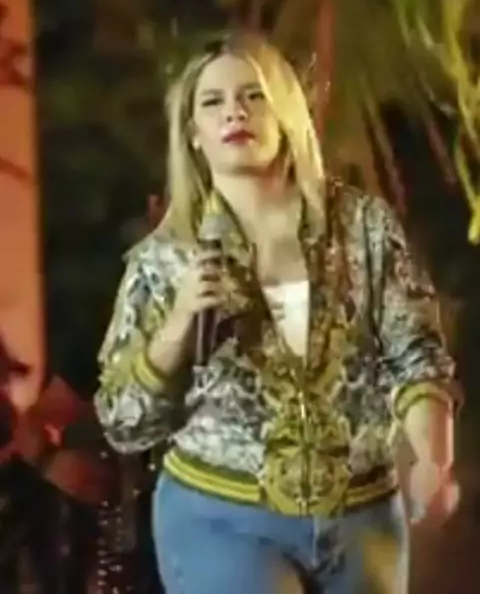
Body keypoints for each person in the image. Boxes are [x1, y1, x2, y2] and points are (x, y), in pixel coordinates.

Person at [94, 31, 459, 594]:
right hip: (220, 517)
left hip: (362, 516)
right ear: (193, 136)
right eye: (212, 102)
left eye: (253, 95)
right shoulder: (164, 260)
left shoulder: (363, 227)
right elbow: (124, 421)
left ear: (286, 113)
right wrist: (177, 326)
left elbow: (416, 355)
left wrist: (433, 459)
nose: (234, 112)